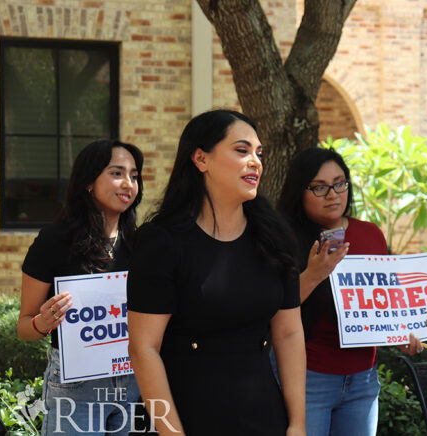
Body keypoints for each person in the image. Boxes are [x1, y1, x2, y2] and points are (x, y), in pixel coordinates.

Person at [126, 110, 305, 435]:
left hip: (264, 415)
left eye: (258, 153)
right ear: (200, 159)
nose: (255, 162)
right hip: (184, 416)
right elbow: (143, 348)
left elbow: (289, 333)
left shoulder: (275, 239)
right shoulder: (161, 242)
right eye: (242, 150)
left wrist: (297, 424)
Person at [276, 147, 422, 436]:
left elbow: (388, 301)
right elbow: (271, 312)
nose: (333, 194)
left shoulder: (370, 234)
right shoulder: (283, 239)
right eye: (319, 187)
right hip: (307, 377)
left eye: (340, 183)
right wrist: (312, 275)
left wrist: (404, 332)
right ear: (299, 191)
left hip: (362, 381)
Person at [17, 139, 144, 435]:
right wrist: (43, 322)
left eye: (134, 176)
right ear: (88, 182)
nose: (128, 183)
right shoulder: (54, 241)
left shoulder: (143, 243)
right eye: (116, 173)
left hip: (134, 382)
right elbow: (24, 328)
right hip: (76, 388)